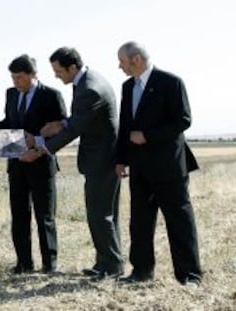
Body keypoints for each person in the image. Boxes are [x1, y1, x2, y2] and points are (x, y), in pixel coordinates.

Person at [21, 47, 124, 281]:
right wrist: (62, 123)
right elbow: (79, 119)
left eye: (58, 71)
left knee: (100, 214)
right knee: (104, 213)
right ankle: (107, 262)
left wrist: (40, 149)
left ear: (72, 68)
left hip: (102, 159)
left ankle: (112, 267)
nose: (56, 76)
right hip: (101, 158)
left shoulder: (89, 88)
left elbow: (77, 128)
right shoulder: (86, 81)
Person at [115, 41, 202, 287]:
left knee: (179, 222)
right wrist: (121, 158)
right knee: (140, 222)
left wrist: (148, 136)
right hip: (139, 167)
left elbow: (183, 120)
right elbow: (125, 125)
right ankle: (141, 271)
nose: (119, 66)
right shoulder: (127, 87)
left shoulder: (170, 82)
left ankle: (189, 276)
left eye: (121, 61)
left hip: (169, 168)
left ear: (136, 60)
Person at [0, 54, 67, 274]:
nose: (15, 82)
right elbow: (8, 123)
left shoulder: (52, 96)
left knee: (45, 216)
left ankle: (49, 265)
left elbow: (62, 131)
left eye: (19, 77)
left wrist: (37, 150)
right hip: (16, 165)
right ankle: (24, 264)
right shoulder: (11, 94)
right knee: (19, 215)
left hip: (42, 164)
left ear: (33, 75)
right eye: (12, 78)